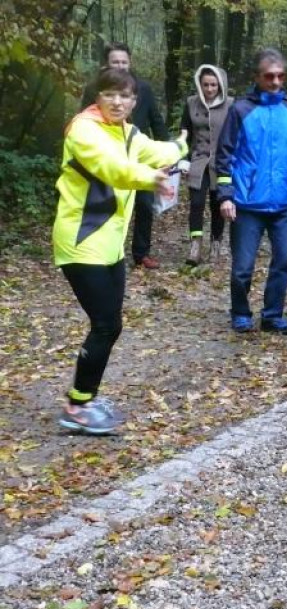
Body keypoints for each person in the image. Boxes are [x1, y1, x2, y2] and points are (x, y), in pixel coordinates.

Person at [55, 67, 188, 433]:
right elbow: (112, 168)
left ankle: (86, 397)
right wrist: (150, 178)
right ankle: (77, 407)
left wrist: (181, 144)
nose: (117, 101)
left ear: (134, 102)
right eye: (110, 94)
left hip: (110, 248)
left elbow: (155, 149)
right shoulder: (83, 129)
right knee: (105, 324)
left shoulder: (128, 132)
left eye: (125, 96)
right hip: (81, 244)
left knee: (111, 325)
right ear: (97, 96)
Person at [215, 47, 287, 335]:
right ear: (257, 77)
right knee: (243, 266)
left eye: (280, 76)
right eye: (269, 76)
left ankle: (272, 315)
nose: (275, 82)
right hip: (247, 203)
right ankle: (240, 312)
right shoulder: (241, 110)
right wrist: (226, 195)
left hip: (283, 203)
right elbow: (225, 155)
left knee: (282, 263)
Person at [81, 43, 169, 270]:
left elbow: (156, 120)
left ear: (130, 63)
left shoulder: (144, 89)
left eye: (124, 62)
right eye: (115, 62)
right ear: (106, 65)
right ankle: (102, 251)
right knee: (107, 204)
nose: (120, 66)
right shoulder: (94, 89)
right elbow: (84, 120)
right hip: (108, 158)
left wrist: (167, 151)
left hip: (140, 157)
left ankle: (141, 253)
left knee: (144, 205)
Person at [180, 65, 233, 266]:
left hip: (221, 162)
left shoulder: (230, 105)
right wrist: (182, 159)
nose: (209, 89)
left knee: (218, 204)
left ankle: (216, 243)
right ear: (199, 85)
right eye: (205, 85)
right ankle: (195, 244)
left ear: (220, 85)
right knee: (196, 203)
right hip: (198, 160)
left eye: (213, 85)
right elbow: (185, 131)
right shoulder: (191, 103)